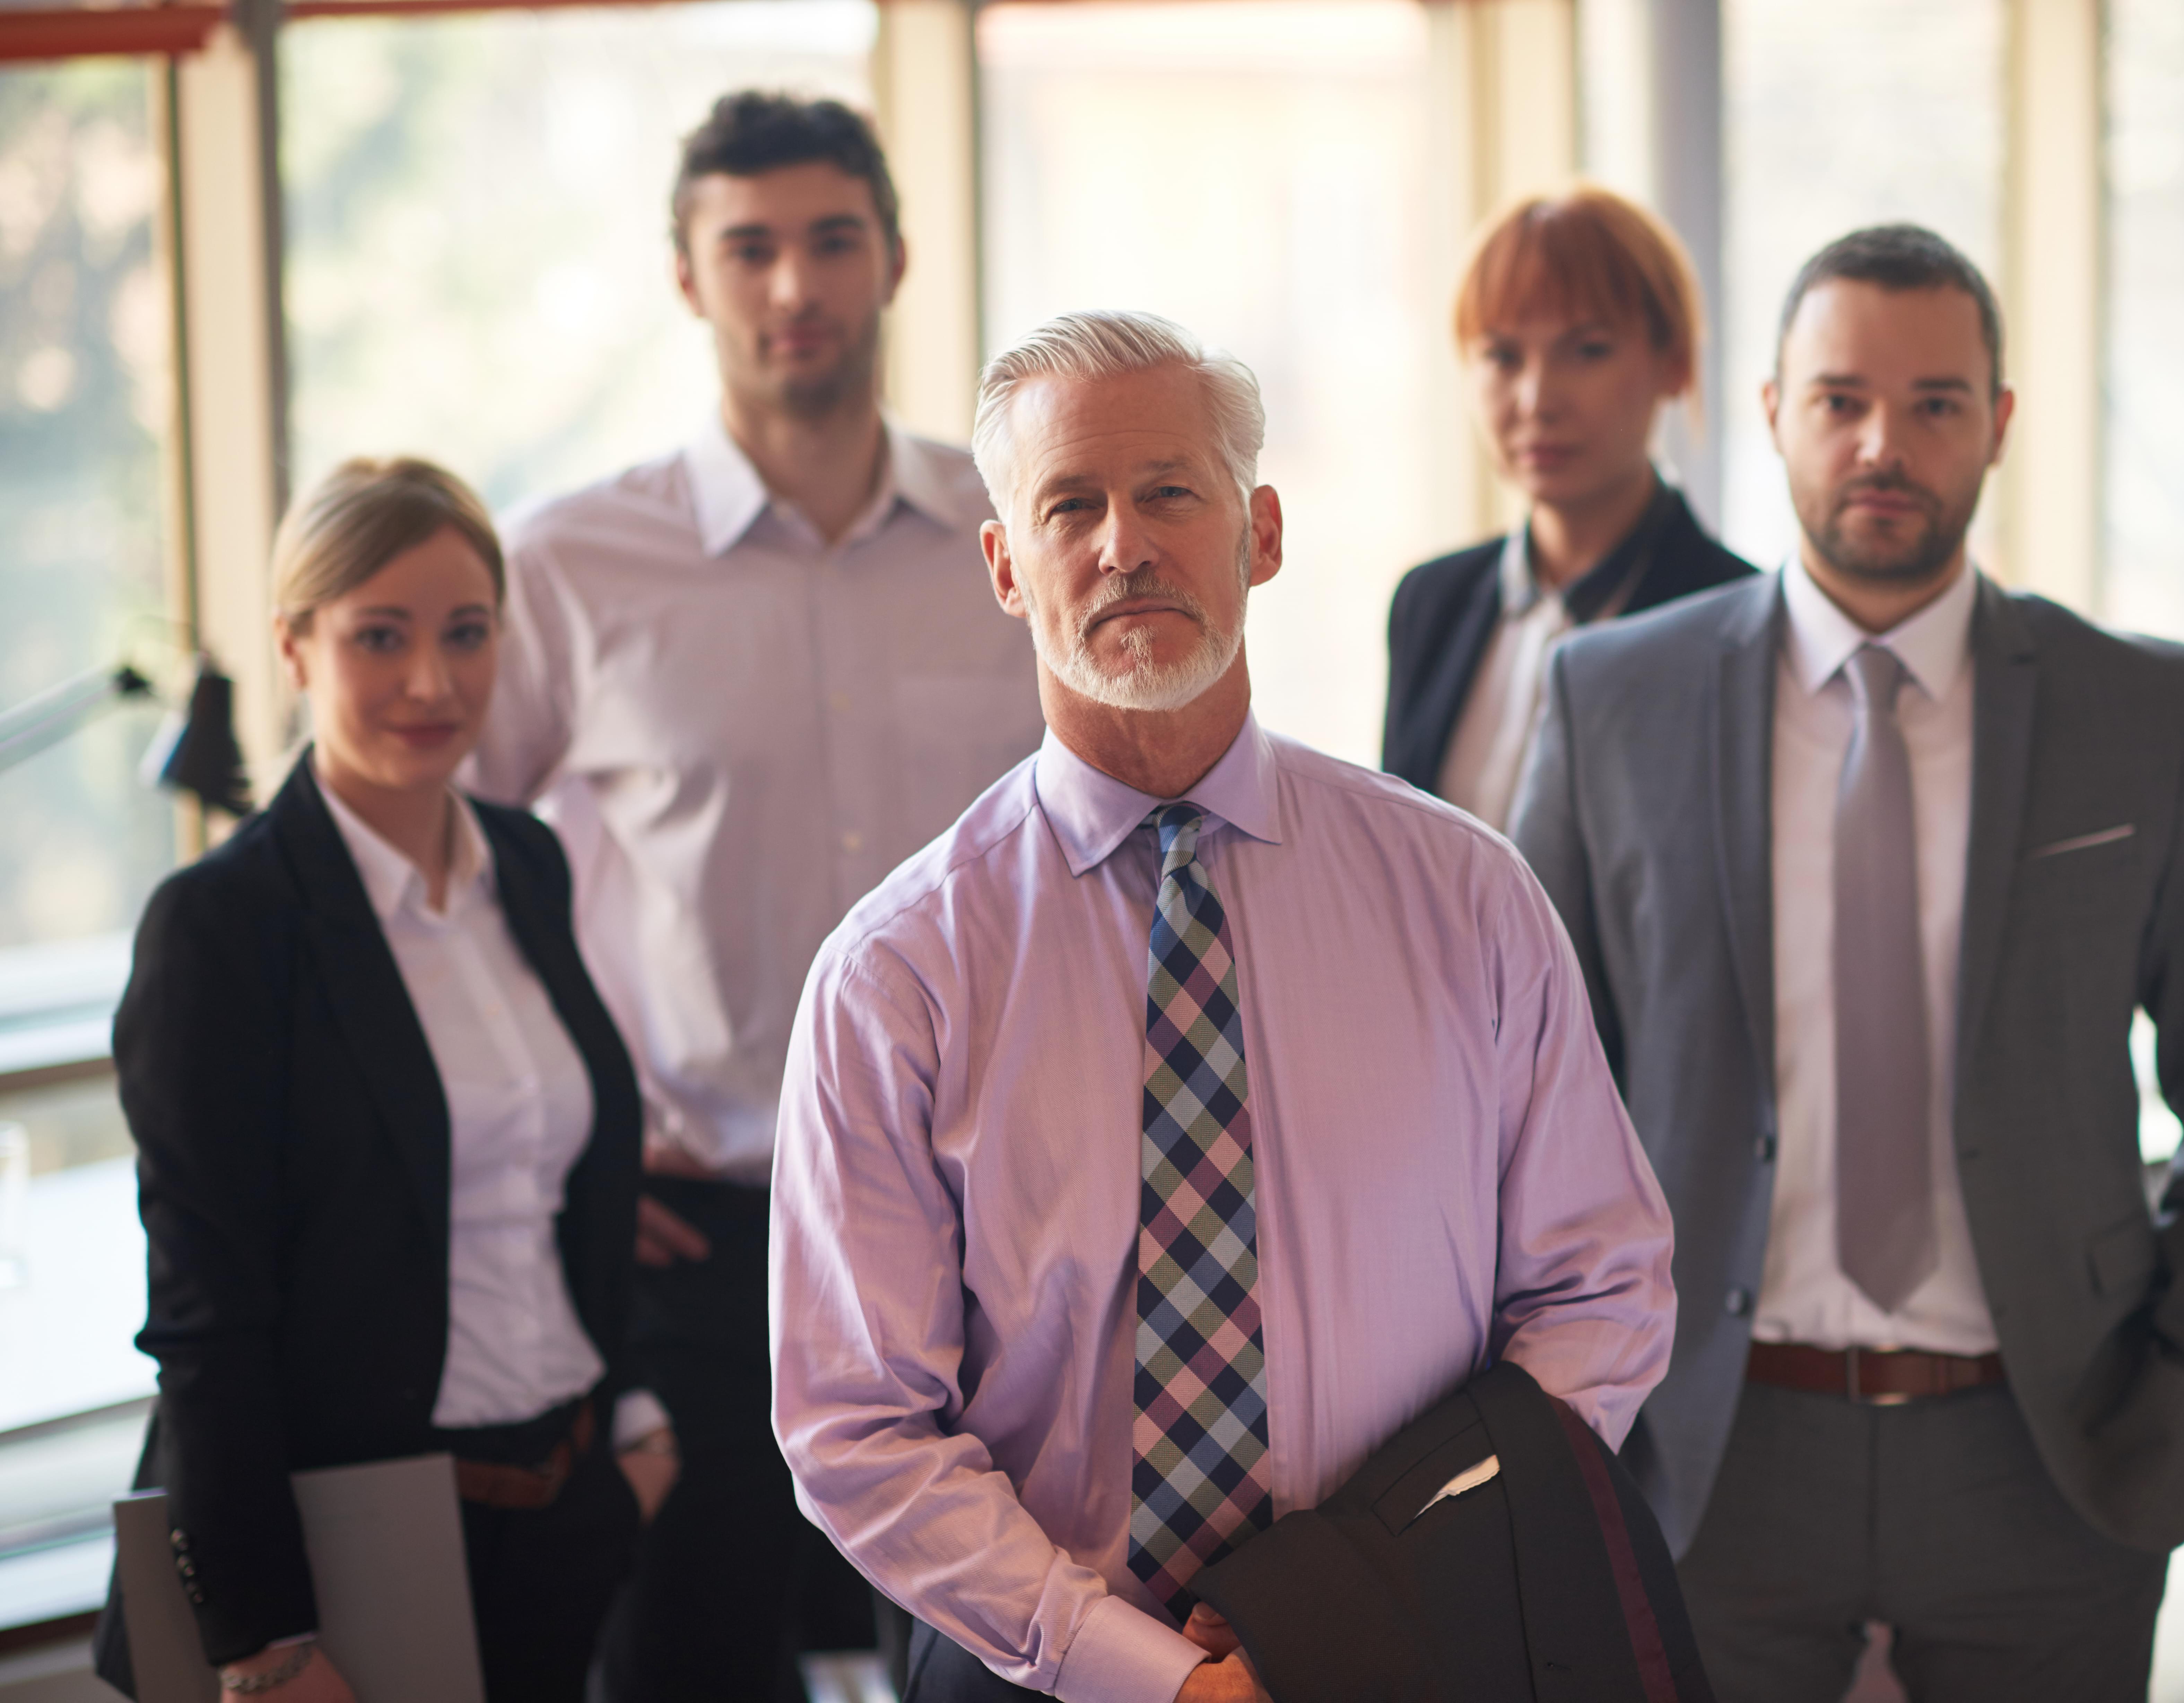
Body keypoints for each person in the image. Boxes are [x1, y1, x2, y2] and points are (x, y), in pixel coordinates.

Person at [769, 309, 1678, 1703]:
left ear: (1258, 533)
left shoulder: (1465, 897)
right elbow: (858, 1424)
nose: (1122, 543)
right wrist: (1157, 1677)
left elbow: (1601, 1290)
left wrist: (1378, 1593)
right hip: (1039, 1680)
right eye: (1071, 504)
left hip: (1420, 1657)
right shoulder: (898, 975)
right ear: (1009, 568)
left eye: (1169, 492)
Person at [1511, 224, 2184, 1701]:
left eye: (1936, 402)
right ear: (1769, 413)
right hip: (1707, 1452)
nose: (1884, 443)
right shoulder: (1609, 698)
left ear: (1998, 424)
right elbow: (1507, 1102)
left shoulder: (2145, 711)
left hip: (2049, 1447)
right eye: (1840, 400)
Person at [465, 92, 1045, 1700]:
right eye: (751, 248)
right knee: (693, 1665)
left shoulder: (1015, 538)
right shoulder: (573, 565)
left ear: (895, 261)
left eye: (831, 241)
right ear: (687, 277)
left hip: (995, 1212)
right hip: (700, 1232)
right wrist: (565, 1133)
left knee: (1006, 1651)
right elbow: (441, 878)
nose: (794, 285)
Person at [96, 458, 656, 1702]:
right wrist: (263, 1634)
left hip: (564, 1506)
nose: (431, 682)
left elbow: (561, 1174)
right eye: (379, 637)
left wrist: (630, 1421)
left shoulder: (530, 861)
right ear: (295, 649)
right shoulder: (222, 927)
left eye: (467, 634)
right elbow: (206, 1314)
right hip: (353, 1543)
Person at [1383, 186, 1754, 828]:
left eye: (1587, 351)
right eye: (1502, 356)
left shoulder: (1740, 626)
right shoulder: (1431, 601)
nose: (1536, 400)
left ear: (1673, 362)